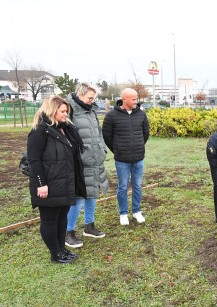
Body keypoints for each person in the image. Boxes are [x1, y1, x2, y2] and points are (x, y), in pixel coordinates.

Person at [27, 96, 86, 263]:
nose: (65, 114)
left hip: (65, 182)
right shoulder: (40, 130)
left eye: (66, 111)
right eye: (62, 111)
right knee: (50, 220)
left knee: (62, 218)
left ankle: (62, 249)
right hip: (49, 184)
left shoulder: (65, 128)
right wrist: (41, 184)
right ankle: (55, 254)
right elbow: (34, 160)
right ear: (52, 110)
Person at [65, 83, 109, 248]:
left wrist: (102, 149)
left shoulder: (90, 110)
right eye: (90, 97)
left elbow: (98, 132)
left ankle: (89, 226)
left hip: (95, 160)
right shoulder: (68, 110)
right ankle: (68, 232)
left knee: (93, 193)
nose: (92, 101)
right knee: (78, 197)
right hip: (79, 163)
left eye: (93, 98)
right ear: (80, 94)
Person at [102, 88, 150, 226]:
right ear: (124, 99)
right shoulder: (111, 116)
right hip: (122, 159)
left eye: (137, 98)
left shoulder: (141, 114)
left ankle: (136, 211)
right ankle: (123, 213)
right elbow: (107, 137)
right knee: (123, 186)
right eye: (133, 99)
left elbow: (145, 134)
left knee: (138, 185)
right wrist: (117, 150)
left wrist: (139, 146)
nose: (136, 101)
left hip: (138, 158)